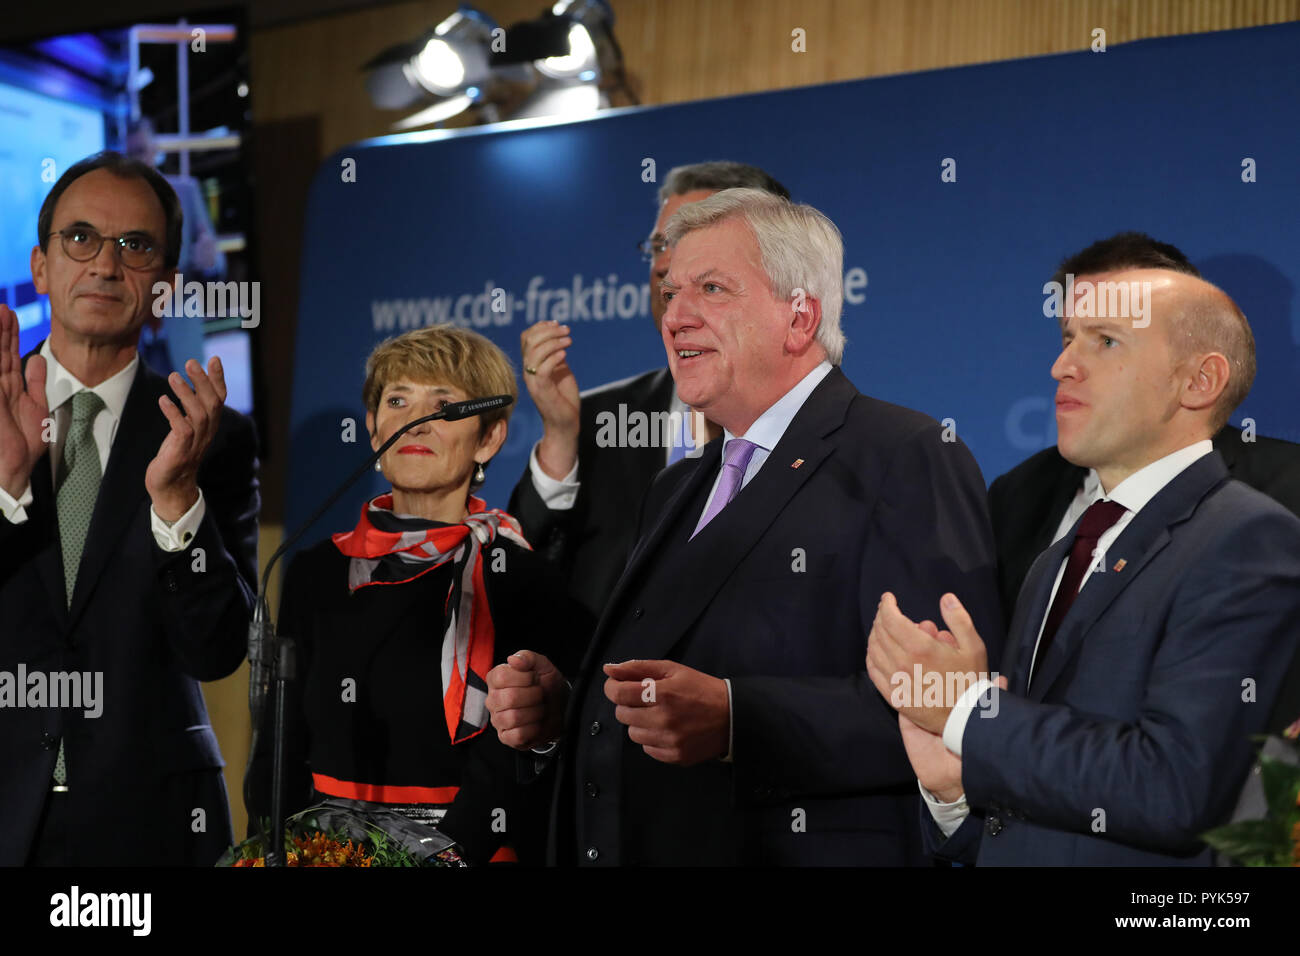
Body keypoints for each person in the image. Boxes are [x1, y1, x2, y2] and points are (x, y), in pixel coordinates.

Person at [487, 188, 1003, 866]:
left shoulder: (903, 454)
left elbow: (946, 708)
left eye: (711, 288)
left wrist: (739, 719)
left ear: (799, 317)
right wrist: (573, 711)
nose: (674, 317)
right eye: (670, 293)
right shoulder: (679, 484)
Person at [866, 265, 1300, 865]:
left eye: (1106, 341)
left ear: (1199, 381)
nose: (1063, 365)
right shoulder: (1058, 559)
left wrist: (966, 710)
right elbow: (1031, 813)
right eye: (1067, 338)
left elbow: (1173, 790)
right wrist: (953, 790)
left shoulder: (1249, 537)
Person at [0, 151, 260, 865]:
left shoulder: (211, 435)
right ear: (42, 265)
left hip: (152, 822)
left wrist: (178, 502)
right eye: (80, 239)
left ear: (168, 287)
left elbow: (216, 650)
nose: (105, 266)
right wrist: (8, 492)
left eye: (135, 247)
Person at [248, 325, 590, 866]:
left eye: (444, 404)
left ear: (489, 439)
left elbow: (515, 762)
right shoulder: (314, 571)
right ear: (372, 427)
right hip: (318, 854)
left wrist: (437, 857)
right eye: (398, 400)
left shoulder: (518, 577)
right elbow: (279, 747)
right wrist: (267, 847)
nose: (416, 419)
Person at [509, 161, 789, 617]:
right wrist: (560, 438)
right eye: (660, 244)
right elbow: (520, 576)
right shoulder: (597, 419)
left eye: (688, 240)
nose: (664, 264)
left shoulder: (816, 424)